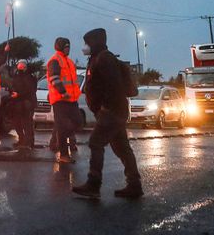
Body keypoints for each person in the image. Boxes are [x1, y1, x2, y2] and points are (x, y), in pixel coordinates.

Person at [72, 28, 143, 199]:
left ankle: (93, 184)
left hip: (111, 111)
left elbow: (113, 86)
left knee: (96, 143)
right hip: (113, 111)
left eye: (86, 43)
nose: (84, 46)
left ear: (94, 42)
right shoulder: (97, 58)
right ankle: (134, 185)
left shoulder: (105, 58)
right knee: (122, 148)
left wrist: (105, 108)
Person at [47, 37, 81, 164]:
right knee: (62, 127)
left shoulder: (70, 62)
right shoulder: (55, 61)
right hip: (60, 100)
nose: (68, 49)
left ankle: (58, 140)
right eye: (66, 47)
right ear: (60, 47)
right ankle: (64, 155)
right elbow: (54, 78)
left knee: (78, 122)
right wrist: (63, 92)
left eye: (69, 47)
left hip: (72, 100)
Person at [8, 60, 37, 150]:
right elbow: (13, 86)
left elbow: (30, 90)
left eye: (21, 67)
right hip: (18, 103)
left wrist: (18, 94)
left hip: (27, 102)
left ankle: (29, 142)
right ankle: (23, 140)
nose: (19, 69)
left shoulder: (29, 77)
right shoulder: (17, 76)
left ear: (25, 67)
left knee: (27, 123)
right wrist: (12, 92)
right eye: (19, 67)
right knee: (18, 122)